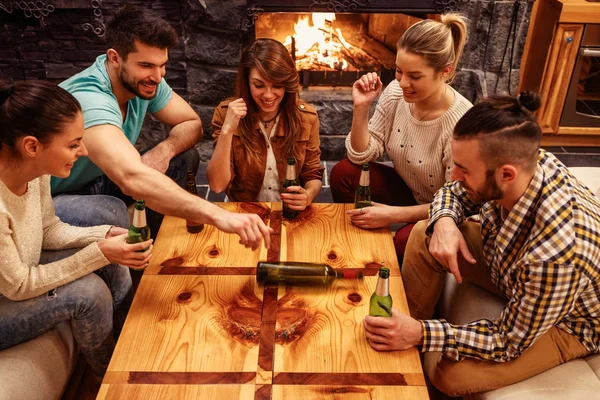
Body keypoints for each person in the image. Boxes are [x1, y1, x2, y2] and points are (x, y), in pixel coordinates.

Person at [362, 92, 600, 397]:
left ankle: (411, 341)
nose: (452, 175)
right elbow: (454, 192)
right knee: (427, 232)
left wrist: (424, 334)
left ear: (506, 174)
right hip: (512, 268)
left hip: (568, 320)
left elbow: (507, 339)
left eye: (463, 169)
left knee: (450, 375)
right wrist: (445, 221)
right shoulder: (521, 161)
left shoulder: (558, 254)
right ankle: (398, 329)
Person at [52, 5, 271, 249]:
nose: (157, 76)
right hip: (57, 198)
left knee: (183, 157)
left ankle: (156, 245)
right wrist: (221, 216)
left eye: (162, 64)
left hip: (101, 176)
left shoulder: (145, 81)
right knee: (110, 212)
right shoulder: (90, 99)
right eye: (146, 65)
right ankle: (136, 272)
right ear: (115, 58)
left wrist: (163, 151)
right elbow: (131, 178)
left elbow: (192, 124)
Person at [0, 80, 153, 377]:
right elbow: (18, 286)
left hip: (13, 277)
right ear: (32, 145)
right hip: (7, 295)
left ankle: (133, 341)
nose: (83, 151)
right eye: (73, 144)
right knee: (88, 293)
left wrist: (103, 236)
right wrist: (98, 252)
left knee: (111, 256)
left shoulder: (34, 171)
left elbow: (48, 230)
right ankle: (113, 379)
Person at [329, 13, 472, 261]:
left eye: (415, 76)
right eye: (398, 71)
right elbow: (361, 153)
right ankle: (359, 245)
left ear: (445, 72)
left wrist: (392, 215)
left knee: (406, 241)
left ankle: (387, 271)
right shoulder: (396, 93)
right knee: (344, 173)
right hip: (410, 190)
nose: (403, 82)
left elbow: (457, 203)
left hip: (442, 211)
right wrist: (361, 107)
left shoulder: (461, 124)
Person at [207, 38, 324, 209]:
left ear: (287, 85)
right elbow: (217, 185)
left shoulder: (307, 117)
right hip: (243, 211)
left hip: (289, 212)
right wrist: (227, 131)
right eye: (259, 85)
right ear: (247, 82)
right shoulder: (226, 114)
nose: (268, 95)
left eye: (277, 86)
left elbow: (312, 173)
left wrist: (308, 195)